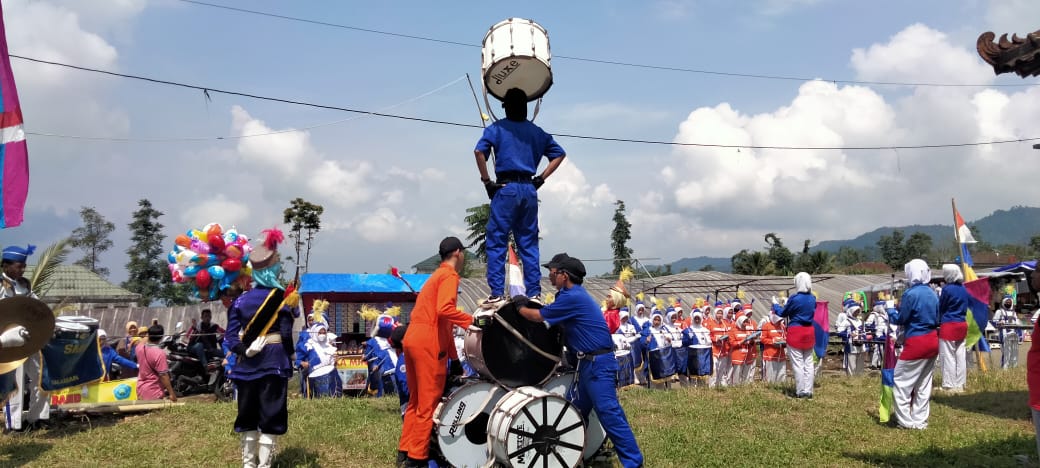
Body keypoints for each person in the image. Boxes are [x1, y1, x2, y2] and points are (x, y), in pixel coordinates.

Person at [515, 253, 644, 468]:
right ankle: (570, 457)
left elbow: (537, 317)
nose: (549, 276)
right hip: (587, 365)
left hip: (597, 365)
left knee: (609, 414)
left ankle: (634, 463)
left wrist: (519, 307)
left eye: (552, 272)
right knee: (575, 413)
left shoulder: (572, 297)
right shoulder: (569, 296)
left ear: (564, 276)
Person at [473, 87, 567, 308]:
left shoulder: (497, 128)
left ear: (506, 108)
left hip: (506, 188)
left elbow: (479, 152)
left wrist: (487, 181)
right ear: (525, 108)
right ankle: (534, 293)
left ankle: (497, 292)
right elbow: (559, 154)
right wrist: (540, 178)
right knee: (529, 243)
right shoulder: (537, 132)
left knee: (497, 241)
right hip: (529, 189)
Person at [397, 237, 473, 468]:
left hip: (413, 338)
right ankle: (416, 458)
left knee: (416, 399)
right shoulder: (450, 276)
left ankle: (405, 449)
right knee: (427, 404)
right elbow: (446, 310)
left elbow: (444, 324)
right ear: (458, 253)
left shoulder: (435, 277)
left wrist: (454, 360)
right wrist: (473, 322)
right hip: (428, 342)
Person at [225, 228, 297, 468]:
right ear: (274, 269)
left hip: (246, 364)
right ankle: (264, 465)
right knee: (271, 413)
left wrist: (246, 352)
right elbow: (286, 334)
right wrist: (291, 355)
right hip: (274, 361)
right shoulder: (281, 298)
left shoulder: (239, 301)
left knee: (247, 414)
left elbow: (230, 337)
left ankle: (248, 464)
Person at [0, 244, 50, 431]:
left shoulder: (25, 286)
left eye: (23, 266)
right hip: (8, 341)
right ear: (6, 266)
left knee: (39, 377)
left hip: (30, 338)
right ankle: (13, 424)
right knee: (15, 382)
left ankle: (38, 417)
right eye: (18, 266)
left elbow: (37, 307)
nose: (22, 269)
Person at [886, 259, 939, 430]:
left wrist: (890, 310)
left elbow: (901, 319)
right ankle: (920, 420)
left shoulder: (910, 294)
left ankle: (905, 422)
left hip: (916, 341)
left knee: (901, 382)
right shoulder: (933, 293)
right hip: (932, 340)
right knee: (924, 383)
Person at [773, 272, 817, 398]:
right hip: (809, 331)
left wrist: (775, 304)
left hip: (796, 331)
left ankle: (800, 390)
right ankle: (809, 391)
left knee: (798, 363)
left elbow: (783, 313)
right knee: (808, 363)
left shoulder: (794, 298)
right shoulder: (812, 298)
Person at [938, 264, 969, 393]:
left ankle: (949, 384)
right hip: (962, 323)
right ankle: (960, 383)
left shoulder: (947, 289)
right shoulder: (964, 288)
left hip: (949, 324)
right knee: (960, 354)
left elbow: (941, 306)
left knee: (948, 355)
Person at [135, 324, 177, 402]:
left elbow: (144, 340)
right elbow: (163, 375)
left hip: (140, 391)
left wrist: (150, 331)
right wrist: (172, 394)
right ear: (161, 337)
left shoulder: (139, 348)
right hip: (154, 393)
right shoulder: (159, 353)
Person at [364, 314, 399, 398]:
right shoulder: (393, 340)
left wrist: (365, 357)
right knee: (396, 393)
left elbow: (367, 356)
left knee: (382, 392)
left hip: (383, 371)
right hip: (395, 369)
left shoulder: (372, 341)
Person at [303, 322, 341, 398]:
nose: (322, 334)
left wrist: (335, 360)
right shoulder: (309, 346)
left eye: (324, 332)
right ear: (315, 333)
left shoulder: (329, 346)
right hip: (316, 378)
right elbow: (301, 361)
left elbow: (333, 363)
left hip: (331, 376)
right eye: (320, 332)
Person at [188, 309, 225, 377]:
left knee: (226, 354)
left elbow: (224, 333)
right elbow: (188, 336)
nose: (207, 318)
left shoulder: (214, 326)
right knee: (199, 345)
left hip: (210, 349)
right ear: (202, 317)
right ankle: (206, 367)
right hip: (195, 348)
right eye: (205, 316)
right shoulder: (197, 326)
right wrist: (195, 329)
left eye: (209, 316)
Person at [837, 300, 867, 377]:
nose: (857, 313)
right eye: (855, 311)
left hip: (861, 346)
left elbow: (864, 332)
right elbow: (839, 332)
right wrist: (850, 334)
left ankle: (858, 380)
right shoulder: (846, 321)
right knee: (851, 365)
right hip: (851, 346)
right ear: (851, 311)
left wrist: (865, 337)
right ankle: (851, 380)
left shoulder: (860, 321)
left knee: (860, 365)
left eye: (858, 311)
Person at [684, 310, 713, 386]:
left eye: (698, 318)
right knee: (693, 375)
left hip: (703, 355)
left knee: (702, 375)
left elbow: (709, 343)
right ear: (693, 319)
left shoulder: (705, 330)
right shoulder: (688, 330)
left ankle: (702, 390)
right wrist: (688, 338)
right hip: (693, 355)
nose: (697, 320)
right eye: (695, 318)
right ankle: (692, 391)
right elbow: (684, 343)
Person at [706, 304, 731, 388]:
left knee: (722, 368)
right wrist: (716, 339)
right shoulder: (710, 323)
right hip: (714, 350)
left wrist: (727, 338)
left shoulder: (725, 324)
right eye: (718, 313)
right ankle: (712, 386)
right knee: (714, 368)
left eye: (721, 313)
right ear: (715, 314)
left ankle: (720, 384)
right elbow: (707, 336)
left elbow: (729, 334)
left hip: (723, 350)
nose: (719, 315)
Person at [728, 316, 757, 385]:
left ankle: (745, 387)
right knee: (737, 374)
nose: (745, 324)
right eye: (744, 322)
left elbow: (751, 344)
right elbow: (732, 343)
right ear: (740, 322)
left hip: (748, 355)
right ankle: (735, 387)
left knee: (746, 373)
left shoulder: (748, 331)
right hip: (738, 355)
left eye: (746, 322)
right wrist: (742, 341)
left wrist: (752, 340)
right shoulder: (733, 331)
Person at [760, 311, 788, 383]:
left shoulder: (782, 326)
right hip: (770, 355)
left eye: (780, 320)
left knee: (781, 374)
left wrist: (784, 341)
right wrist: (772, 341)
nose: (779, 322)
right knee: (770, 376)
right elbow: (762, 339)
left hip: (781, 354)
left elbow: (786, 337)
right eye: (778, 320)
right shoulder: (766, 326)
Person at [865, 299, 890, 369]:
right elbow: (868, 324)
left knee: (880, 350)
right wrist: (874, 330)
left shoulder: (886, 315)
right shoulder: (874, 315)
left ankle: (878, 364)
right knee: (878, 349)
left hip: (885, 334)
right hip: (878, 335)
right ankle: (875, 364)